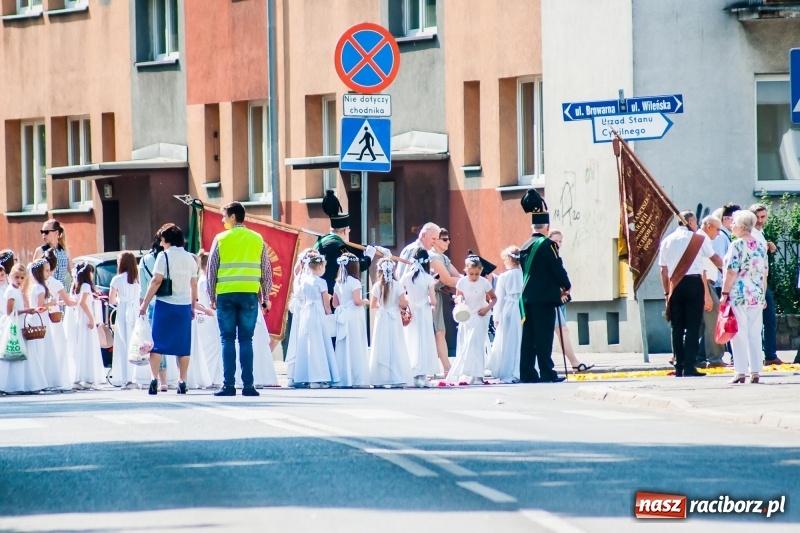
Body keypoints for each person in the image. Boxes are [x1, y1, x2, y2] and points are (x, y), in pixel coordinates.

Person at [206, 202, 273, 397]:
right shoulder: (257, 239)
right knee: (246, 340)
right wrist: (266, 296)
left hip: (225, 295)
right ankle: (249, 386)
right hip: (249, 296)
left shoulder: (221, 238)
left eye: (225, 216)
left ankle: (228, 385)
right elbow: (266, 271)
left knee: (227, 339)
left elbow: (212, 269)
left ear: (234, 216)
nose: (222, 220)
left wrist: (211, 295)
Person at [659, 211, 722, 378]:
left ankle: (679, 366)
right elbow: (714, 258)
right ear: (690, 222)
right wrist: (729, 268)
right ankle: (689, 366)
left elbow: (663, 271)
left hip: (675, 285)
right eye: (695, 222)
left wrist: (667, 292)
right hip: (693, 284)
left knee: (677, 327)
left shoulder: (667, 240)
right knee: (693, 327)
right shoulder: (697, 239)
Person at [518, 190, 571, 383]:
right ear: (547, 226)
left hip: (527, 298)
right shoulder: (547, 245)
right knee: (544, 337)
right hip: (544, 298)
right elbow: (556, 268)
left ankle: (527, 372)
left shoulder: (525, 245)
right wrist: (566, 285)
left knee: (529, 338)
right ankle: (547, 372)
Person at [140, 223, 198, 395]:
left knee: (158, 344)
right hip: (184, 306)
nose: (160, 243)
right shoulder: (190, 258)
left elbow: (156, 281)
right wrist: (193, 307)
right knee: (183, 346)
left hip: (164, 304)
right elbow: (193, 285)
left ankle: (153, 378)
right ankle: (183, 380)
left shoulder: (163, 257)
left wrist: (144, 304)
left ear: (168, 240)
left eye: (162, 239)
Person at [720, 210, 768, 384]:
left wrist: (724, 293)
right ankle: (755, 371)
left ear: (741, 226)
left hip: (739, 293)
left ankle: (740, 371)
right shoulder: (760, 245)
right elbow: (764, 273)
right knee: (755, 333)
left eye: (734, 223)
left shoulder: (737, 245)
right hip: (755, 293)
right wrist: (762, 295)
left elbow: (732, 271)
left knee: (739, 333)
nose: (731, 226)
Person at [546, 231, 594, 373]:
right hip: (553, 300)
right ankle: (574, 363)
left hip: (560, 299)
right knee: (562, 330)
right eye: (555, 241)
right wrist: (558, 293)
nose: (558, 244)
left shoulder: (556, 256)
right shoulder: (549, 255)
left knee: (561, 331)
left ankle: (574, 363)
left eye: (560, 241)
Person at [289, 251, 339, 388]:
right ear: (321, 266)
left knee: (307, 343)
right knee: (319, 343)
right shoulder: (321, 282)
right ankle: (319, 377)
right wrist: (329, 314)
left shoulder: (303, 280)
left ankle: (305, 375)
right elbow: (325, 303)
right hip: (318, 313)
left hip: (306, 311)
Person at [446, 254, 497, 385]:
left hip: (480, 315)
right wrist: (460, 300)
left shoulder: (484, 282)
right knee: (466, 344)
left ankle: (479, 375)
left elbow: (494, 298)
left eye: (476, 274)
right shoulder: (462, 282)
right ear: (466, 271)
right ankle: (467, 373)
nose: (474, 277)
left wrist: (486, 309)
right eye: (471, 274)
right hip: (466, 316)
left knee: (476, 344)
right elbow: (458, 297)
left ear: (480, 271)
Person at [316, 190, 380, 294]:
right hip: (331, 292)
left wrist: (369, 247)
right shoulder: (338, 246)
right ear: (345, 231)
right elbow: (354, 266)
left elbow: (351, 249)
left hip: (320, 290)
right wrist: (368, 257)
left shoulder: (323, 240)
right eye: (348, 230)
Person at [0, 264, 48, 394]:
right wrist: (27, 310)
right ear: (11, 276)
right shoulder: (10, 291)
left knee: (25, 355)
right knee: (15, 355)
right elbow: (9, 311)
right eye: (16, 277)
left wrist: (30, 312)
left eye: (22, 278)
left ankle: (27, 383)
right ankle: (12, 384)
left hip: (21, 323)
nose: (19, 280)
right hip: (15, 325)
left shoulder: (16, 290)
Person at [369, 258, 412, 388]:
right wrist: (406, 302)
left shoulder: (377, 286)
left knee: (381, 345)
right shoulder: (397, 285)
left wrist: (383, 305)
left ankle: (379, 377)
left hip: (382, 318)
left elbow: (373, 305)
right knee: (395, 345)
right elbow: (403, 303)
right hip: (394, 319)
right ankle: (397, 376)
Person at [750, 203, 783, 366]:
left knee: (769, 319)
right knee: (757, 320)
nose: (761, 220)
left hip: (763, 281)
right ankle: (767, 354)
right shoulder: (750, 234)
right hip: (754, 282)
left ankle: (770, 354)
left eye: (763, 217)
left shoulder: (760, 233)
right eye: (758, 217)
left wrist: (768, 243)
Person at [401, 248, 438, 387]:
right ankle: (422, 375)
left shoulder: (406, 277)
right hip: (424, 312)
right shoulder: (428, 278)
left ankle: (411, 371)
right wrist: (429, 302)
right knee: (424, 339)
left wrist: (410, 301)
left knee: (411, 339)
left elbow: (401, 293)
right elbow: (433, 301)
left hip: (411, 311)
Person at [332, 252, 370, 388]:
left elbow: (335, 303)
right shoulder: (355, 282)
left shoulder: (338, 282)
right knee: (355, 344)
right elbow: (357, 301)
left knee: (343, 345)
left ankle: (343, 377)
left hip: (343, 315)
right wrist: (366, 301)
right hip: (353, 315)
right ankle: (357, 377)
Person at [66, 262, 106, 389]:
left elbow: (76, 302)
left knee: (81, 347)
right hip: (85, 319)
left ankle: (79, 378)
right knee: (89, 347)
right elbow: (83, 303)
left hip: (79, 319)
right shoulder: (86, 286)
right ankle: (89, 378)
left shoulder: (75, 286)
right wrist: (91, 318)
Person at [138, 235, 169, 391]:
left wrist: (142, 306)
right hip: (170, 302)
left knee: (155, 342)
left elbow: (143, 288)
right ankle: (169, 380)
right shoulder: (169, 258)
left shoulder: (145, 260)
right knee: (170, 341)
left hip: (151, 304)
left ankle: (156, 379)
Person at [488, 246, 523, 383]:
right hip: (522, 308)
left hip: (509, 308)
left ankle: (508, 368)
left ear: (508, 259)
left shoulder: (504, 276)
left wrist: (496, 317)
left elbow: (500, 297)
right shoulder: (524, 274)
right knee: (520, 338)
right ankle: (520, 368)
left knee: (509, 339)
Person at [429, 228, 461, 375]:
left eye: (449, 239)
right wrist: (471, 281)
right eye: (445, 239)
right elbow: (448, 280)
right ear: (435, 241)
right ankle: (446, 367)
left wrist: (471, 279)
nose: (449, 241)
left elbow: (457, 276)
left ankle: (447, 367)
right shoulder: (433, 257)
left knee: (440, 331)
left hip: (436, 296)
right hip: (428, 297)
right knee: (435, 332)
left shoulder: (444, 258)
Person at [43, 249, 77, 389]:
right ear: (55, 267)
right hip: (55, 316)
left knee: (46, 348)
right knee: (59, 347)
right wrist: (78, 302)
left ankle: (46, 378)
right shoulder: (56, 283)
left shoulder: (39, 282)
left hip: (43, 315)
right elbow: (68, 302)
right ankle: (58, 379)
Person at [696, 215, 725, 368]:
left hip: (701, 283)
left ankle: (696, 357)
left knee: (700, 324)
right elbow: (715, 259)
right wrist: (729, 270)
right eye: (718, 229)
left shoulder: (698, 237)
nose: (719, 233)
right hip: (705, 283)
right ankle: (715, 359)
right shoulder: (703, 238)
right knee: (714, 321)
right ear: (708, 226)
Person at [109, 252, 141, 389]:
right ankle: (137, 376)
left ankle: (125, 377)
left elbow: (111, 299)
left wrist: (121, 301)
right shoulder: (138, 279)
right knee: (136, 342)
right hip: (136, 311)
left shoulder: (117, 279)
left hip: (123, 312)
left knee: (123, 343)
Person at [285, 248, 313, 387]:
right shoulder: (309, 279)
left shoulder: (298, 277)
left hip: (298, 312)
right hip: (305, 311)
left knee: (297, 341)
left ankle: (294, 374)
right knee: (305, 341)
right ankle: (306, 372)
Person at [195, 251, 222, 388]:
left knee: (213, 346)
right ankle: (209, 377)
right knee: (214, 346)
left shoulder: (202, 279)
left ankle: (216, 378)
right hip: (209, 314)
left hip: (206, 313)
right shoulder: (205, 280)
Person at [34, 219, 70, 287]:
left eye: (46, 232)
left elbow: (72, 273)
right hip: (47, 292)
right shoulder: (40, 251)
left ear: (56, 233)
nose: (43, 234)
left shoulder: (64, 250)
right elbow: (33, 275)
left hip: (62, 293)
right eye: (42, 232)